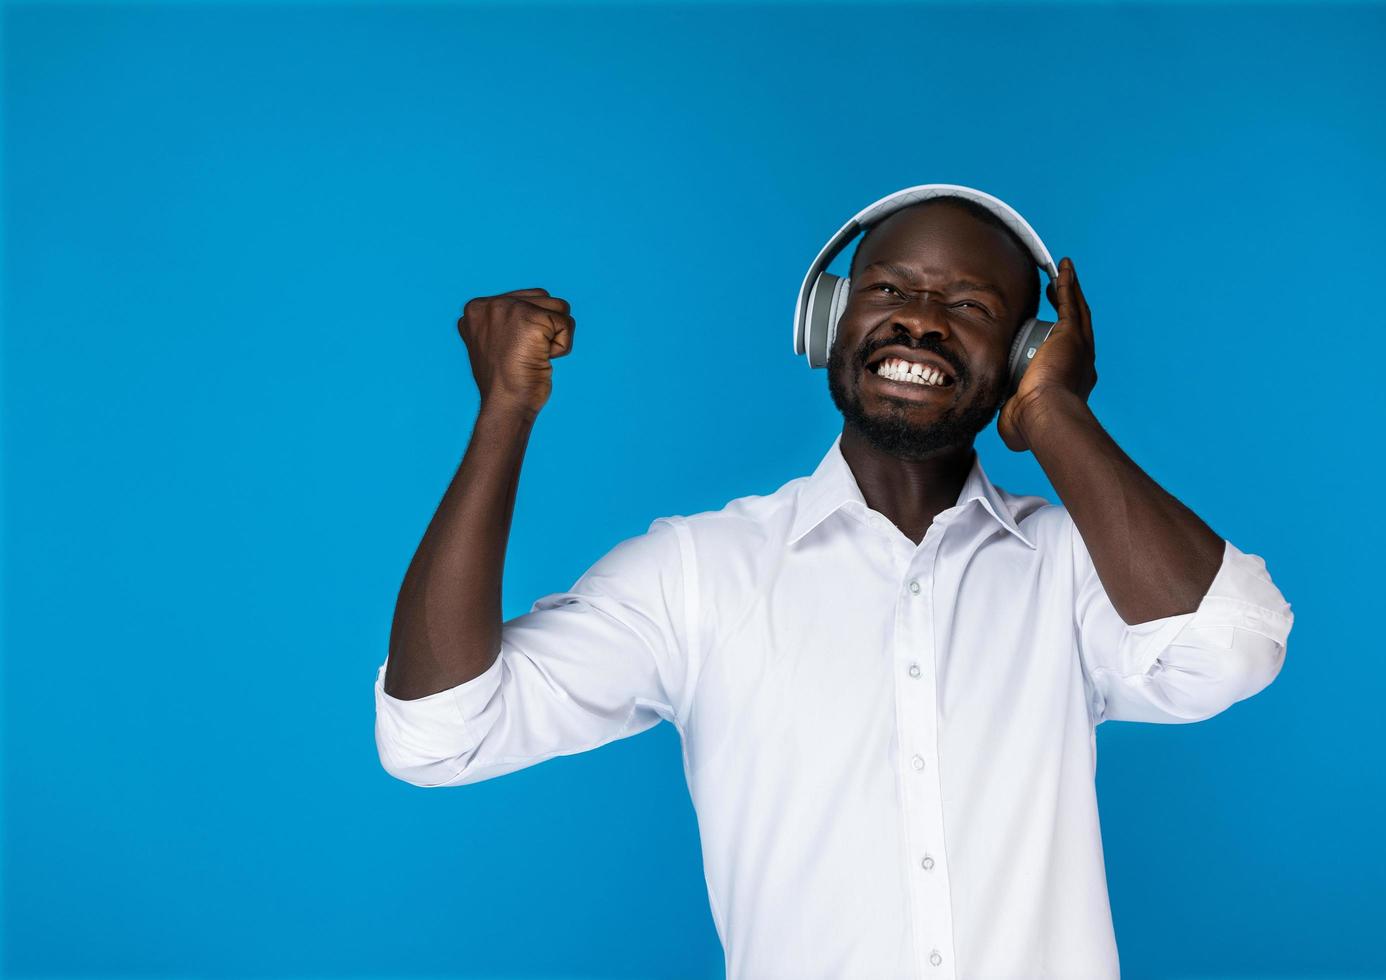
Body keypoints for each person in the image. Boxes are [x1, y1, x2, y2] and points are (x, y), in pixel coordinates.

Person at [373, 193, 1295, 980]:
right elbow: (441, 735)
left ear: (1026, 349)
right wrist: (504, 412)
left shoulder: (1078, 568)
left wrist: (1055, 412)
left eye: (970, 305)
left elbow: (1233, 649)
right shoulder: (701, 572)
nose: (921, 321)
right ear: (829, 319)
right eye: (889, 289)